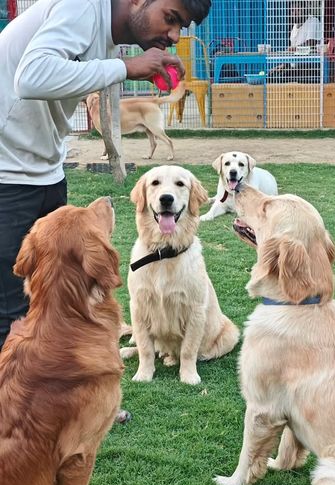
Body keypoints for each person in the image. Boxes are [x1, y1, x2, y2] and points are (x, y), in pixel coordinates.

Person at [0, 0, 211, 352]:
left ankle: (66, 404)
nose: (174, 36)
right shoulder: (82, 5)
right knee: (13, 314)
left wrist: (126, 65)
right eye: (171, 19)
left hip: (45, 170)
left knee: (55, 299)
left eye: (181, 27)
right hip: (8, 175)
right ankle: (19, 406)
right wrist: (125, 67)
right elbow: (31, 76)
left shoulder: (107, 35)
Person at [268, 1, 322, 83]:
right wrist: (283, 65)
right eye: (293, 11)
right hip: (296, 68)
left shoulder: (313, 21)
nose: (295, 13)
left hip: (310, 67)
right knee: (272, 76)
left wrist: (293, 49)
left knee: (282, 77)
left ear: (305, 9)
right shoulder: (294, 27)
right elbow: (291, 53)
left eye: (298, 10)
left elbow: (310, 45)